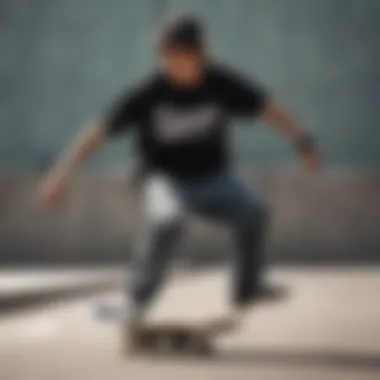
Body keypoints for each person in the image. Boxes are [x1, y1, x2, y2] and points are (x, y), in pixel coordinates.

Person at [40, 15, 320, 343]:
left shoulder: (221, 83)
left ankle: (247, 288)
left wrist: (302, 140)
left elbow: (268, 109)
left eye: (177, 56)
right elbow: (98, 132)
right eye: (165, 56)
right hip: (163, 179)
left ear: (199, 54)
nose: (169, 64)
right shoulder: (148, 91)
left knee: (254, 211)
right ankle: (136, 300)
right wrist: (62, 172)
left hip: (213, 178)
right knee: (168, 219)